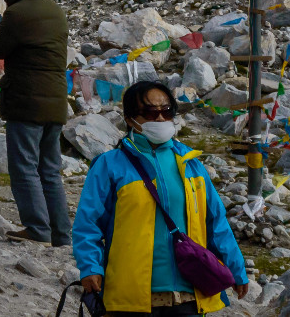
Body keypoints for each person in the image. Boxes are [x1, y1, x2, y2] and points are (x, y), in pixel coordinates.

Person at [73, 79, 248, 313]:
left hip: (190, 294)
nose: (160, 119)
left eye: (166, 111)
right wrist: (90, 267)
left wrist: (237, 269)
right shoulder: (109, 165)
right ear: (129, 119)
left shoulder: (191, 164)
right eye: (149, 112)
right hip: (131, 297)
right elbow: (88, 223)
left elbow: (216, 223)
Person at [0, 0, 72, 245]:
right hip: (56, 100)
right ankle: (61, 233)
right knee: (49, 170)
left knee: (24, 166)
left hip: (26, 99)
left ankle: (37, 228)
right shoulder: (56, 11)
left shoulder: (18, 13)